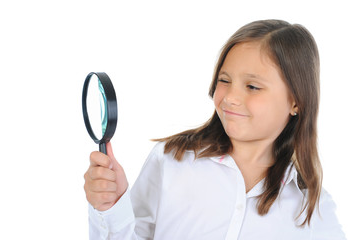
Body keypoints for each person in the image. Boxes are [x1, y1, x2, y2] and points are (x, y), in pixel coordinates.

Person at [84, 19, 346, 239]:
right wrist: (111, 206)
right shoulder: (171, 160)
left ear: (296, 101)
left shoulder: (314, 210)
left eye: (252, 87)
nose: (230, 97)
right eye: (224, 80)